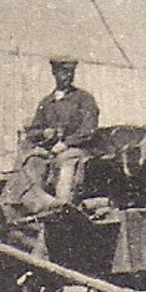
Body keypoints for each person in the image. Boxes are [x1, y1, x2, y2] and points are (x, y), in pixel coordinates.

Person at [22, 57, 99, 206]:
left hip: (77, 150)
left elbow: (89, 130)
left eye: (71, 72)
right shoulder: (46, 102)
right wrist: (44, 134)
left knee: (66, 161)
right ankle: (35, 205)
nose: (68, 76)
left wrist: (65, 144)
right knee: (33, 162)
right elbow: (33, 132)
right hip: (50, 151)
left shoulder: (84, 99)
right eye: (63, 73)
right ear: (54, 73)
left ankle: (62, 206)